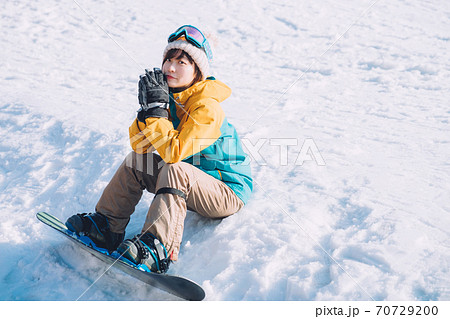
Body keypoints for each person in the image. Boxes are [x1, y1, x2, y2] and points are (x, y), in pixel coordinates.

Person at [65, 25, 253, 273]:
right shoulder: (170, 99)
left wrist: (157, 114)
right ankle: (106, 227)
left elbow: (175, 153)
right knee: (137, 162)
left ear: (198, 71)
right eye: (168, 60)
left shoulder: (208, 108)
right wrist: (148, 112)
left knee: (176, 169)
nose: (171, 68)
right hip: (191, 182)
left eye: (182, 62)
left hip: (226, 192)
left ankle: (157, 247)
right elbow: (140, 146)